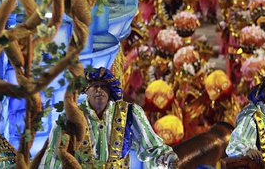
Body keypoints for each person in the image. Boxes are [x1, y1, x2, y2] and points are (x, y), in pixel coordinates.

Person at [37, 67, 179, 168]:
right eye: (94, 86)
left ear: (111, 91)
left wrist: (167, 158)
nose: (99, 90)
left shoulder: (130, 112)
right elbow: (54, 156)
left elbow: (151, 147)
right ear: (86, 91)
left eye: (104, 86)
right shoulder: (70, 118)